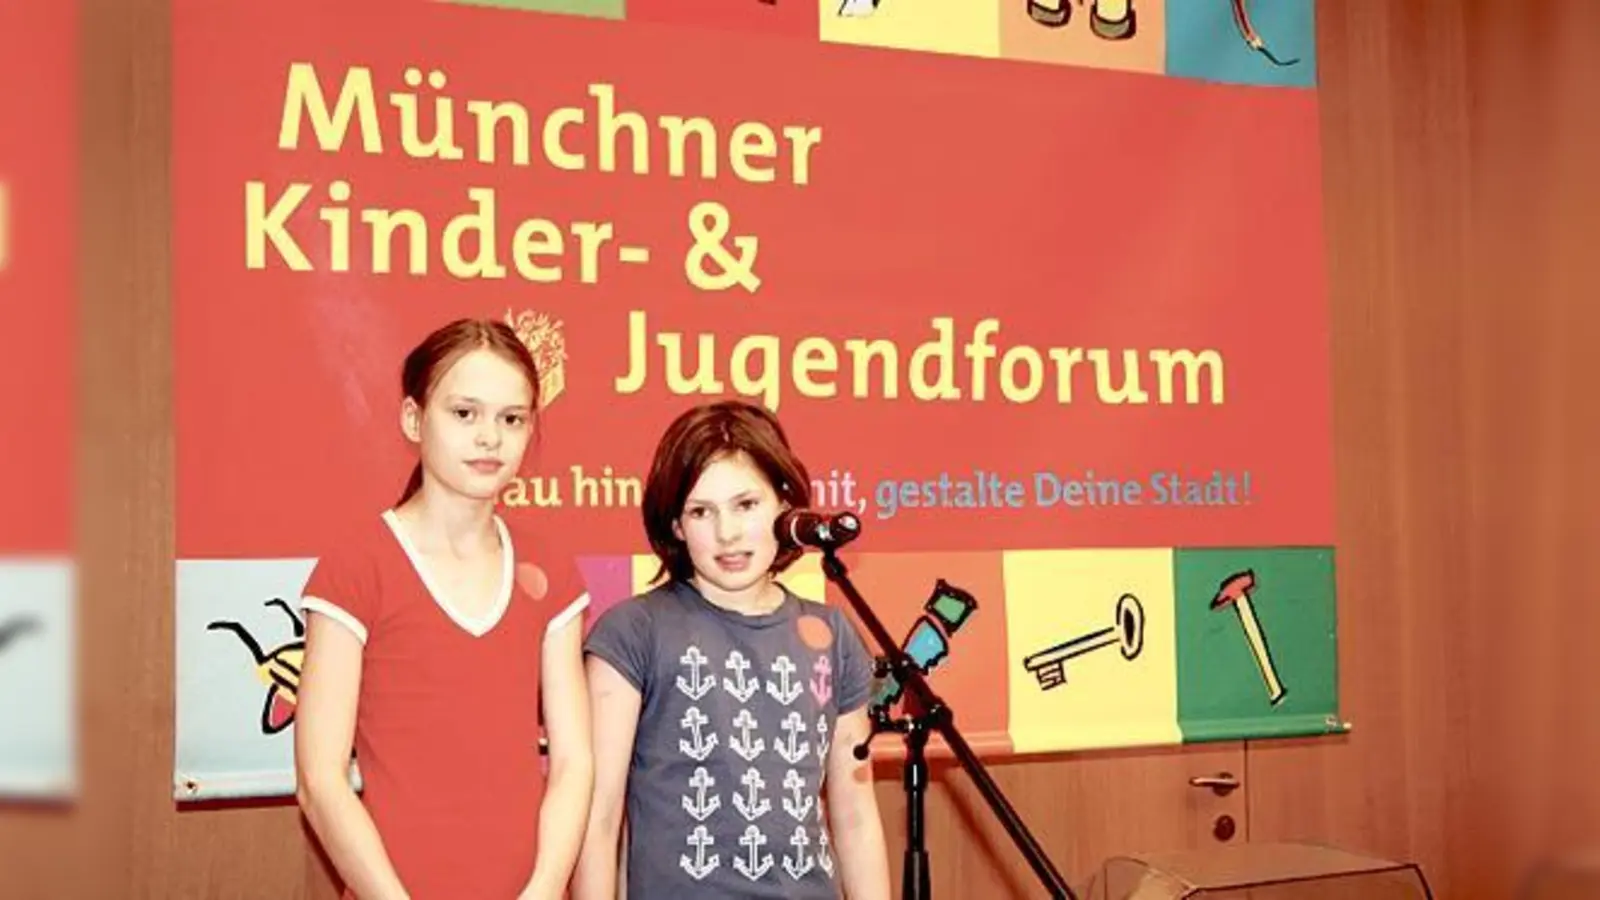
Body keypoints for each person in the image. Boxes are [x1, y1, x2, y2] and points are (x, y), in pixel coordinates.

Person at [294, 318, 593, 899]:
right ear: (414, 419)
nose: (490, 438)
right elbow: (319, 779)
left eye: (512, 419)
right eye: (464, 413)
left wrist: (543, 889)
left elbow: (574, 762)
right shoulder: (358, 567)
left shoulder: (550, 569)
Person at [573, 400, 892, 900]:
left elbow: (855, 814)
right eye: (701, 511)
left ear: (784, 505)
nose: (727, 533)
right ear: (676, 525)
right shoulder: (632, 633)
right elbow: (599, 817)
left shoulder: (832, 632)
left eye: (746, 505)